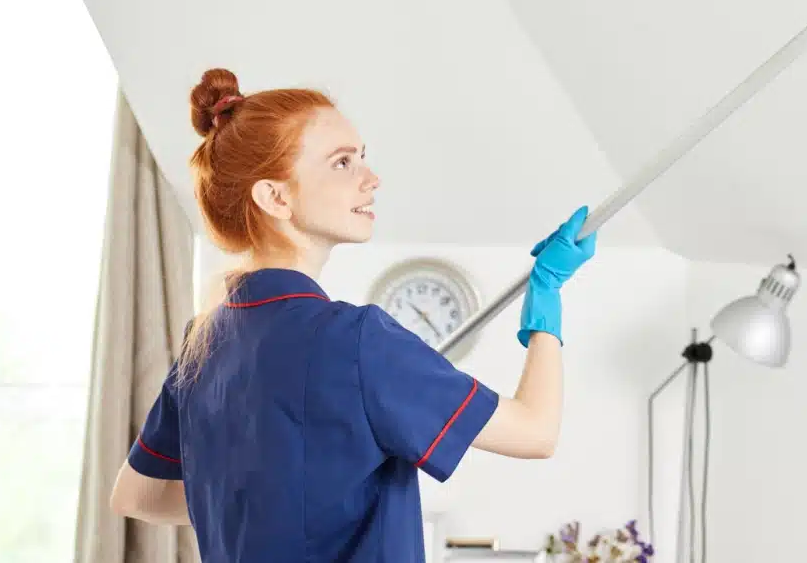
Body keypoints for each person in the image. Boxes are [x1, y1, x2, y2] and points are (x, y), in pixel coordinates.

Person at [107, 68, 597, 560]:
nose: (371, 178)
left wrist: (262, 499)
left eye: (363, 157)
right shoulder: (356, 341)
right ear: (275, 196)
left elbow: (137, 495)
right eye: (342, 163)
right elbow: (536, 432)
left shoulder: (206, 341)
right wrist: (546, 301)